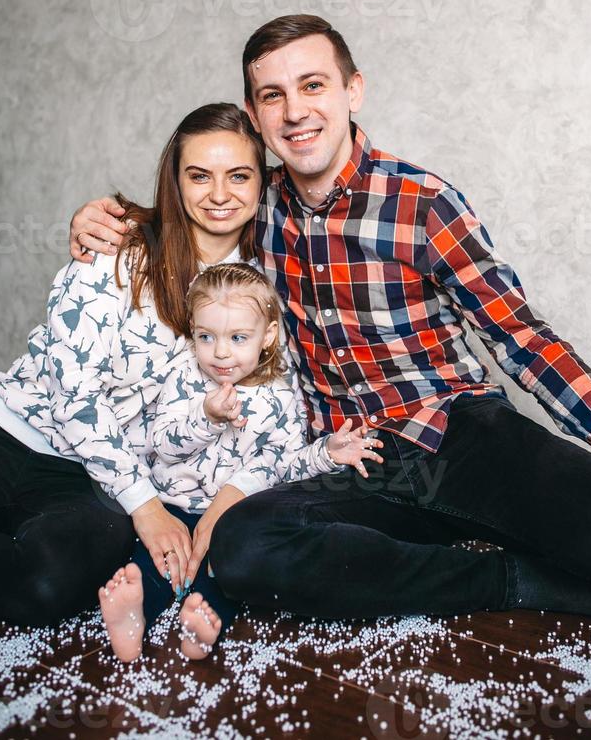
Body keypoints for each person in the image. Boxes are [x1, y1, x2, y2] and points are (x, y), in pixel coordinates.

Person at [70, 14, 591, 634]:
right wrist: (100, 220)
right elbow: (184, 212)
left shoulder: (422, 202)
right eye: (274, 96)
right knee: (247, 545)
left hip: (456, 434)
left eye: (313, 85)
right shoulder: (249, 202)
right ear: (255, 115)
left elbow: (523, 338)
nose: (295, 112)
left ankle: (493, 535)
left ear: (353, 91)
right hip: (351, 460)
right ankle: (514, 580)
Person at [0, 102, 271, 626]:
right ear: (176, 180)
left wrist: (205, 504)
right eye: (199, 175)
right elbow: (70, 389)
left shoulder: (256, 288)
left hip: (87, 480)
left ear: (262, 184)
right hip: (12, 427)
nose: (219, 194)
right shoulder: (119, 249)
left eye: (238, 175)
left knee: (50, 583)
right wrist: (145, 506)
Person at [99, 262, 380, 662]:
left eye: (237, 337)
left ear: (266, 337)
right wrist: (206, 419)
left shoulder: (281, 396)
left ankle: (201, 624)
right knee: (159, 562)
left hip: (234, 515)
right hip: (174, 507)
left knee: (222, 570)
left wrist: (327, 454)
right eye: (206, 337)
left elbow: (283, 465)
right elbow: (163, 445)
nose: (221, 352)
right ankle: (133, 615)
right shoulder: (185, 377)